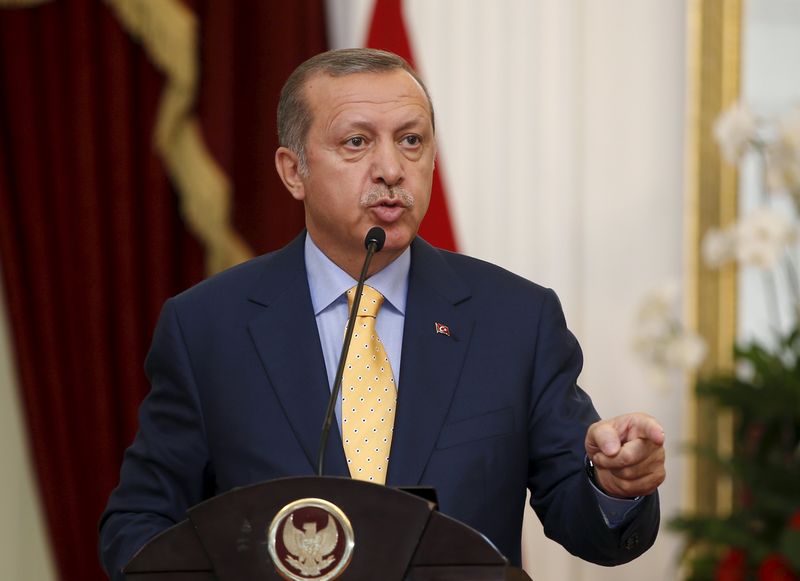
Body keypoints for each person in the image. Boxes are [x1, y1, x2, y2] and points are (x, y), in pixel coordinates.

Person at [99, 48, 665, 579]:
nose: (391, 168)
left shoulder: (516, 320)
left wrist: (615, 487)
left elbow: (582, 516)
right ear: (293, 171)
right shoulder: (207, 328)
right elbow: (137, 525)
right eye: (356, 143)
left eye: (412, 140)